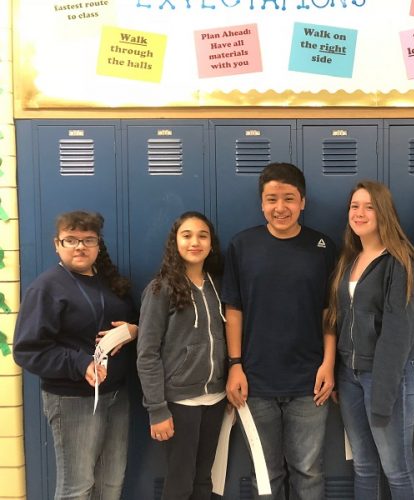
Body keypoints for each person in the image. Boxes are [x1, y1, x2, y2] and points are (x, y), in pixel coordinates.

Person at [221, 162, 337, 499]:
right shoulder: (242, 245)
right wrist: (235, 364)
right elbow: (234, 309)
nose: (280, 207)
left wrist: (329, 364)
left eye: (289, 198)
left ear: (303, 202)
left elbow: (330, 312)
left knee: (309, 471)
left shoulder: (323, 247)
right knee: (265, 474)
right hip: (255, 381)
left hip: (309, 381)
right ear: (261, 203)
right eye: (272, 199)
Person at [13, 210, 138, 500]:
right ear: (57, 244)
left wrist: (133, 330)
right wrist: (80, 363)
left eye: (87, 240)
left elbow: (133, 320)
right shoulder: (46, 287)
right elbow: (27, 349)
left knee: (111, 483)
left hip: (116, 395)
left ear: (98, 244)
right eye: (70, 240)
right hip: (73, 399)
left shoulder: (110, 281)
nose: (79, 246)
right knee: (77, 488)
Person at [327, 180, 414, 500]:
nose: (360, 213)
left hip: (388, 376)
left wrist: (383, 396)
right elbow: (339, 318)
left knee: (397, 468)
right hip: (351, 375)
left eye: (369, 206)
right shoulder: (349, 260)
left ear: (384, 212)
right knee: (364, 466)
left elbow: (399, 332)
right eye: (355, 206)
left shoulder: (399, 262)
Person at [137, 211, 227, 500]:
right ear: (175, 242)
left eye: (203, 235)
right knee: (180, 484)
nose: (195, 242)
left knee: (204, 481)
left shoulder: (218, 285)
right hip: (178, 403)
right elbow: (147, 353)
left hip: (215, 400)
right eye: (186, 235)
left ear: (211, 244)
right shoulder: (160, 289)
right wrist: (157, 409)